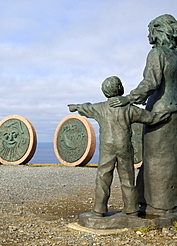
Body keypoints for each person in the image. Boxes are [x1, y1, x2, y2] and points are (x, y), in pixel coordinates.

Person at [69, 76, 169, 217]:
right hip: (124, 146)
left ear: (105, 91)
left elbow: (86, 107)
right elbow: (150, 118)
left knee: (103, 177)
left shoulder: (100, 108)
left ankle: (98, 210)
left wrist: (75, 107)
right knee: (127, 178)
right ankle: (132, 209)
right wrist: (165, 115)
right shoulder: (129, 109)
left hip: (107, 148)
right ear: (120, 89)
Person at [109, 14, 177, 215]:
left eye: (150, 30)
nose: (148, 35)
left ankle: (158, 206)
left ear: (159, 30)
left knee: (156, 161)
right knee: (171, 160)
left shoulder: (158, 54)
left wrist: (128, 99)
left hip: (159, 114)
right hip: (175, 113)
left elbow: (151, 83)